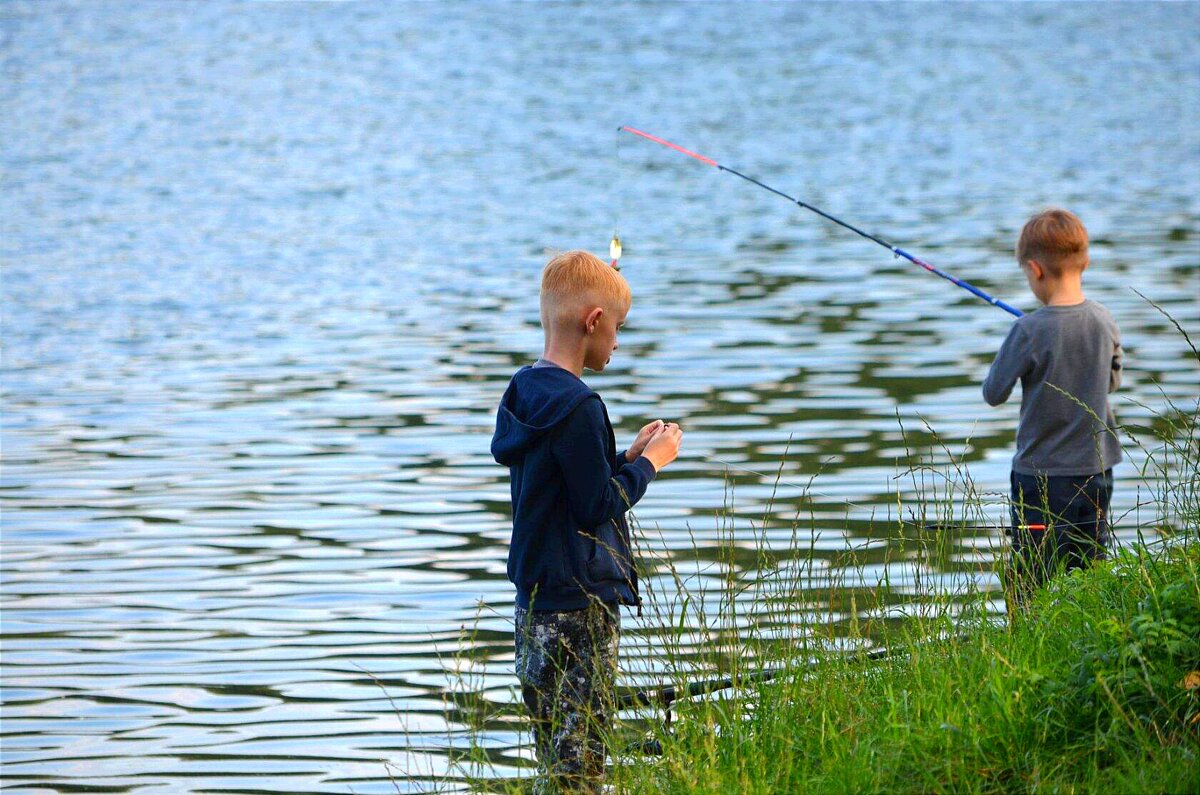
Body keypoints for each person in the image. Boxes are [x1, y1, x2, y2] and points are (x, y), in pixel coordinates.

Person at [491, 249, 682, 793]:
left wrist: (621, 462)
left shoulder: (526, 391)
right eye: (618, 328)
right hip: (579, 608)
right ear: (593, 321)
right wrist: (651, 463)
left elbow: (567, 488)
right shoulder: (580, 406)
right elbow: (597, 506)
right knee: (582, 769)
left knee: (555, 756)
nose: (618, 342)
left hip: (534, 606)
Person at [982, 208, 1122, 612]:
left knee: (1031, 573)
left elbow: (994, 392)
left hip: (1040, 480)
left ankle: (1025, 641)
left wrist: (1021, 343)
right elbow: (1111, 381)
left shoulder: (1028, 330)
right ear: (1086, 261)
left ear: (1035, 269)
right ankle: (1093, 633)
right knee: (1090, 567)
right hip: (1097, 473)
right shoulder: (1104, 320)